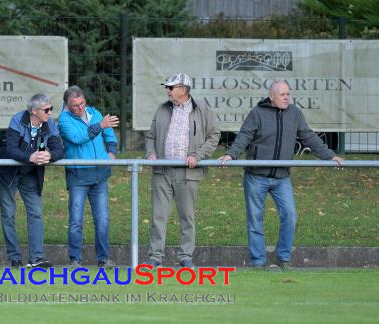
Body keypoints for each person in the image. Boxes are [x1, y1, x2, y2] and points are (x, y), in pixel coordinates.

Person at [219, 81, 343, 270]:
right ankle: (258, 262)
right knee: (255, 220)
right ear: (272, 96)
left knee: (290, 215)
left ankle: (282, 257)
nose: (287, 97)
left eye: (288, 94)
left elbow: (308, 136)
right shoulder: (257, 113)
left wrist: (330, 155)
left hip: (282, 178)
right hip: (255, 177)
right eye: (282, 94)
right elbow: (244, 135)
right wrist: (231, 154)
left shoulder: (295, 114)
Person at [144, 73, 220, 269]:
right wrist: (151, 154)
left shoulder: (202, 108)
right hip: (162, 171)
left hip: (188, 173)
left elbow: (214, 136)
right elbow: (150, 136)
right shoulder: (162, 108)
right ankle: (155, 257)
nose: (167, 91)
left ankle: (185, 256)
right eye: (167, 87)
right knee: (158, 216)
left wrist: (198, 155)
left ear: (183, 90)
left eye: (171, 87)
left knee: (187, 216)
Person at [0, 94, 63, 269]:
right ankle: (14, 258)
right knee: (8, 215)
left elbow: (59, 149)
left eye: (51, 109)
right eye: (46, 110)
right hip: (8, 174)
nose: (50, 112)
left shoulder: (50, 124)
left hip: (31, 174)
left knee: (36, 213)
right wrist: (30, 156)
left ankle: (37, 259)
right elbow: (11, 150)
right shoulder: (18, 120)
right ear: (34, 111)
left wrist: (50, 155)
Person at [58, 85, 119, 268]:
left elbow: (109, 135)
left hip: (100, 175)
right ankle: (75, 260)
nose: (80, 108)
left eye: (82, 103)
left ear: (85, 100)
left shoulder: (96, 113)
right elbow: (78, 137)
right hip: (78, 176)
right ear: (67, 105)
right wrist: (100, 126)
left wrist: (112, 151)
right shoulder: (63, 120)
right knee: (76, 220)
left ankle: (103, 259)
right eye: (75, 105)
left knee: (103, 219)